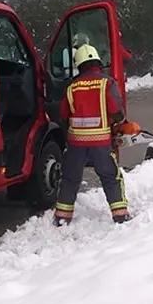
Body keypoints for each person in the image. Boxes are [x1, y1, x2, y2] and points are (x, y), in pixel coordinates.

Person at [54, 44, 130, 225]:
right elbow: (116, 111)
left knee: (70, 178)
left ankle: (62, 217)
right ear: (97, 61)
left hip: (76, 143)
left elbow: (63, 115)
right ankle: (120, 214)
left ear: (79, 64)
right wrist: (118, 125)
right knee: (110, 177)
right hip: (101, 142)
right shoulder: (106, 83)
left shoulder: (72, 87)